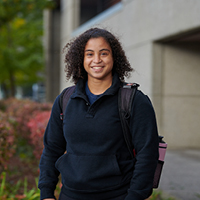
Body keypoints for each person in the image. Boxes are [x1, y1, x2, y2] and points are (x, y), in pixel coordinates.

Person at [38, 27, 159, 200]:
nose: (97, 60)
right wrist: (46, 193)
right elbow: (51, 149)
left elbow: (147, 154)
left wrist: (135, 196)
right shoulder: (65, 99)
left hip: (118, 195)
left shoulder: (134, 100)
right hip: (70, 195)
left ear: (114, 57)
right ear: (81, 59)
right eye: (89, 54)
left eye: (103, 53)